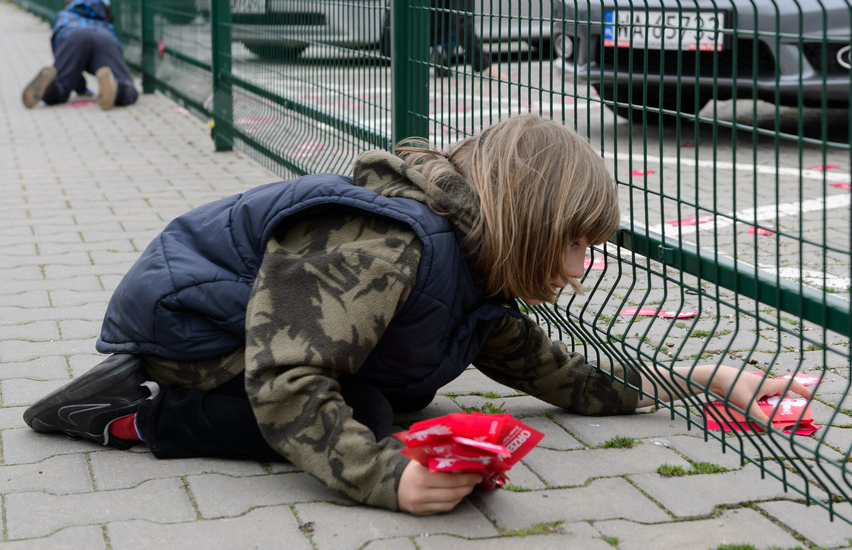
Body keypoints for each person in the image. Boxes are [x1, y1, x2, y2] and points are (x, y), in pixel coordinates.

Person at [23, 115, 808, 515]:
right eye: (573, 243)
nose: (580, 267)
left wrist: (695, 380)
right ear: (530, 221)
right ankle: (132, 416)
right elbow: (288, 379)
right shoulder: (390, 244)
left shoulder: (474, 276)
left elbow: (557, 375)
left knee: (403, 395)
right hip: (187, 319)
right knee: (364, 407)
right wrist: (388, 479)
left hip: (252, 317)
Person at [22, 0, 139, 111]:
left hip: (73, 35)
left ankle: (50, 87)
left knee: (62, 85)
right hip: (104, 38)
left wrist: (79, 87)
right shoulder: (103, 23)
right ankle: (117, 87)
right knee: (126, 84)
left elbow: (63, 54)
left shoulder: (64, 17)